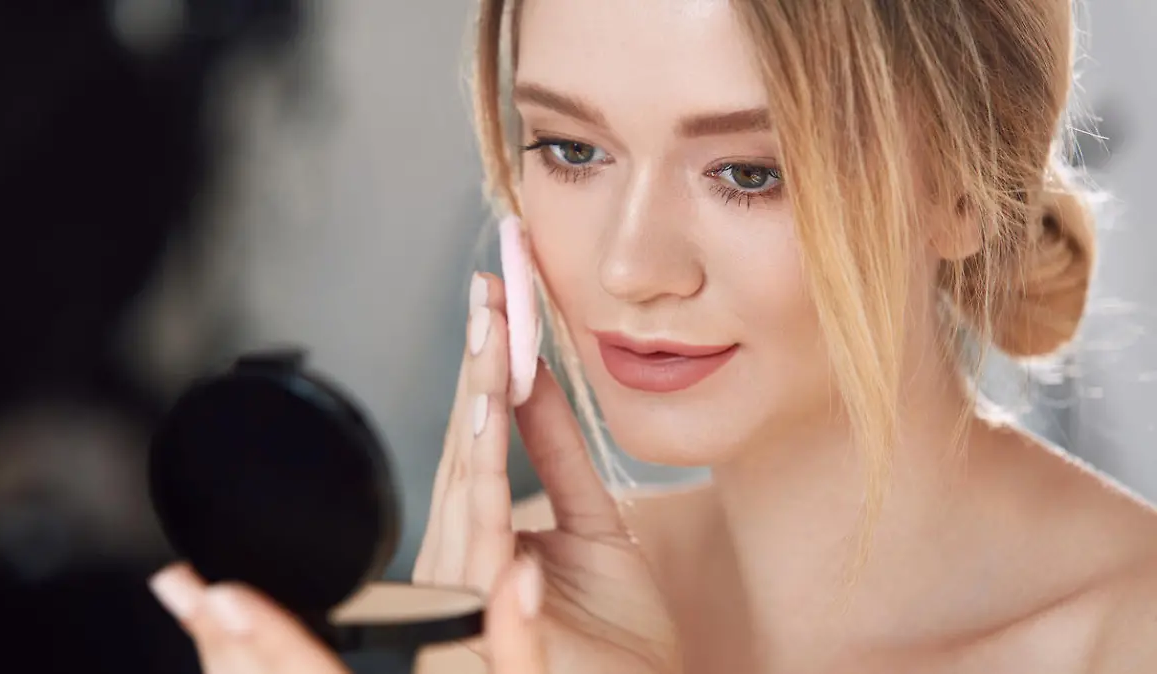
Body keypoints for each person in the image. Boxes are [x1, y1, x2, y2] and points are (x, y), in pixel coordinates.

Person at [148, 0, 1157, 671]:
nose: (631, 266)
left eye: (749, 172)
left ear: (964, 193)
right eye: (571, 149)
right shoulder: (523, 602)